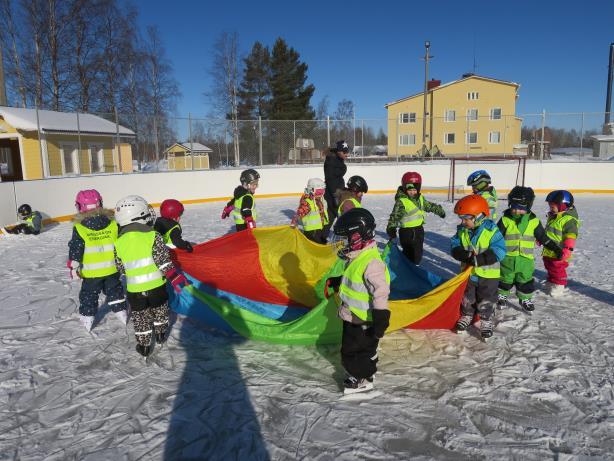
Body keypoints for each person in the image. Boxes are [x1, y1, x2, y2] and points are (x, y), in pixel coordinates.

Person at [114, 195, 189, 357]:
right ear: (139, 215)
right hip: (157, 287)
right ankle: (161, 334)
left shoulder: (118, 242)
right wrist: (175, 277)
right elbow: (163, 261)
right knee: (160, 310)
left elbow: (121, 267)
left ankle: (144, 345)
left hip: (135, 290)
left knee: (140, 318)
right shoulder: (153, 236)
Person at [330, 208, 390, 394]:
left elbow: (380, 291)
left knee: (351, 352)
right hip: (353, 314)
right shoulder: (357, 256)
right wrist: (339, 281)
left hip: (363, 318)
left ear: (358, 236)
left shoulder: (371, 262)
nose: (342, 244)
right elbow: (355, 280)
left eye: (345, 239)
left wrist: (381, 317)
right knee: (364, 348)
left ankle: (364, 378)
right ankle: (370, 357)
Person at [67, 189, 128, 332]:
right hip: (112, 269)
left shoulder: (80, 227)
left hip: (91, 272)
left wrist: (73, 267)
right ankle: (121, 312)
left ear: (79, 206)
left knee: (89, 295)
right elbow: (121, 242)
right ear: (100, 203)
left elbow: (76, 248)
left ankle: (88, 317)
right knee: (115, 291)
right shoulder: (113, 223)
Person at [496, 186, 562, 311]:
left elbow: (543, 237)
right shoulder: (505, 219)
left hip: (526, 260)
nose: (516, 211)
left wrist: (555, 248)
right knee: (505, 278)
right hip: (507, 258)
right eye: (514, 207)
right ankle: (502, 296)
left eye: (521, 209)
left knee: (525, 280)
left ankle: (525, 298)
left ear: (528, 207)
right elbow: (495, 237)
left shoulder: (534, 222)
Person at [451, 194, 506, 340]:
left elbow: (500, 250)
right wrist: (460, 253)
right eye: (461, 218)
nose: (463, 222)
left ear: (479, 216)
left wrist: (480, 259)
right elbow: (454, 244)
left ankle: (486, 320)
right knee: (467, 296)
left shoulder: (491, 230)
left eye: (466, 219)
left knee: (487, 298)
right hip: (469, 273)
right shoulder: (462, 230)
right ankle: (467, 315)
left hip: (488, 275)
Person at [386, 171, 446, 264]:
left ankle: (411, 267)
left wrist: (439, 210)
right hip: (407, 233)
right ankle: (409, 270)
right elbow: (395, 216)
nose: (412, 192)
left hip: (418, 230)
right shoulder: (402, 201)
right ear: (405, 188)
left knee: (418, 254)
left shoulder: (420, 198)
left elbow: (428, 206)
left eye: (414, 190)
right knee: (410, 254)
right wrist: (391, 229)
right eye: (410, 190)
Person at [542, 190, 579, 297]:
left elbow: (571, 235)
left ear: (562, 206)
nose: (550, 208)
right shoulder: (554, 216)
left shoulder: (568, 220)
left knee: (557, 269)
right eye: (550, 206)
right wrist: (541, 239)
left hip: (559, 250)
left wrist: (568, 249)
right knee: (549, 267)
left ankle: (559, 286)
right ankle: (551, 283)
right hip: (549, 249)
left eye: (552, 206)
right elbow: (549, 230)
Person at [290, 178, 329, 244]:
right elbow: (299, 212)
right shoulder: (307, 202)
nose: (320, 194)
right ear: (311, 190)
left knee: (321, 243)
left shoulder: (319, 199)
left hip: (318, 228)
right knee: (316, 245)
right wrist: (294, 221)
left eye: (322, 191)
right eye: (318, 192)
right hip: (311, 231)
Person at [323, 140, 349, 228]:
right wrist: (335, 194)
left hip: (338, 190)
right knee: (337, 214)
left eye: (347, 151)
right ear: (338, 151)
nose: (347, 154)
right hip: (333, 192)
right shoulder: (331, 160)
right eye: (344, 152)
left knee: (333, 215)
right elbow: (330, 179)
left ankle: (322, 236)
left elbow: (337, 175)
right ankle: (321, 237)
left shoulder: (338, 159)